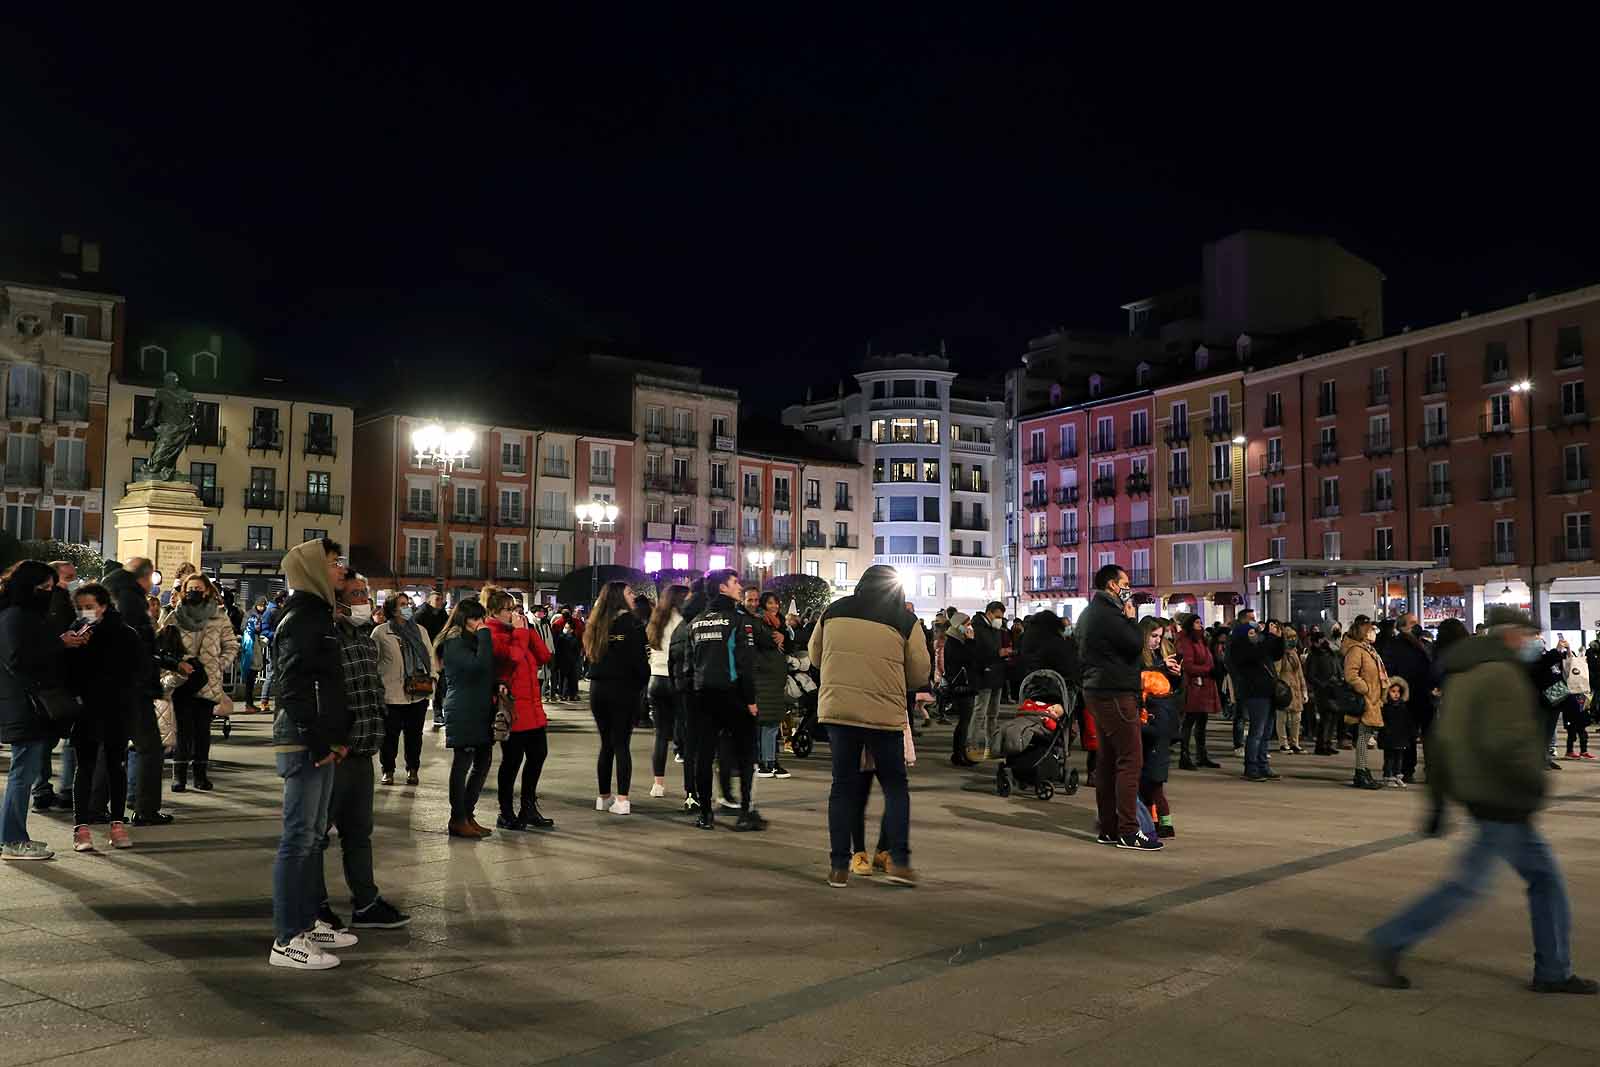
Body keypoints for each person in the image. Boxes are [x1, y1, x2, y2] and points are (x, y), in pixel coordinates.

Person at [1368, 607, 1598, 995]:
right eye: (1526, 635)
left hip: (1484, 793)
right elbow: (1506, 741)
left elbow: (1445, 738)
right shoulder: (1500, 675)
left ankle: (1554, 969)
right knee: (1476, 886)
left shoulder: (1470, 671)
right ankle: (1391, 939)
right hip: (1501, 796)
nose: (1530, 642)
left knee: (1531, 881)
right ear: (1509, 633)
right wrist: (1531, 784)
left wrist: (1439, 799)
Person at [269, 538, 354, 970]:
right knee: (299, 838)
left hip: (318, 736)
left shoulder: (316, 612)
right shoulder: (304, 616)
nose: (341, 569)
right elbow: (295, 682)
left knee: (314, 834)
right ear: (312, 569)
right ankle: (287, 938)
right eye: (334, 562)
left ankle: (305, 921)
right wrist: (320, 737)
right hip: (304, 739)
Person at [814, 564, 929, 886]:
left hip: (840, 710)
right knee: (895, 786)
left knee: (843, 786)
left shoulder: (833, 610)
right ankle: (900, 861)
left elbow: (814, 655)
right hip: (884, 713)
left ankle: (839, 866)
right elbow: (920, 672)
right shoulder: (906, 621)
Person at [315, 570, 410, 930]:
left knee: (359, 832)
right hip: (337, 750)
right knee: (317, 835)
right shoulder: (327, 638)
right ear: (336, 601)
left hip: (363, 748)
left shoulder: (365, 639)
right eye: (355, 594)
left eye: (365, 592)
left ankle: (366, 902)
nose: (363, 600)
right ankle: (316, 904)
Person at [1, 561, 89, 860]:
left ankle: (15, 837)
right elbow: (16, 659)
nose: (50, 593)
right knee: (22, 774)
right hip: (24, 704)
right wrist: (57, 643)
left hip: (29, 704)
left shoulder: (24, 615)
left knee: (24, 772)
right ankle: (12, 840)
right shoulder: (14, 616)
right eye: (46, 588)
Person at [1077, 564, 1160, 850]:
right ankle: (1128, 829)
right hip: (1114, 691)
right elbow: (1134, 644)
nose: (1129, 586)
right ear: (1113, 585)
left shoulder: (1090, 612)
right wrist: (1132, 618)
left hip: (1098, 689)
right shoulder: (1110, 614)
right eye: (1126, 582)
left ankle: (1109, 828)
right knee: (1130, 759)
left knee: (1109, 761)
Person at [64, 582, 140, 852]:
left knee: (115, 766)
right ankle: (81, 829)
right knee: (84, 767)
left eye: (90, 607)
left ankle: (117, 825)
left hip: (116, 709)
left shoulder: (125, 633)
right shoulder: (74, 633)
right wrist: (71, 648)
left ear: (104, 606)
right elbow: (67, 674)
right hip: (86, 710)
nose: (85, 612)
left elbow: (135, 672)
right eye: (81, 608)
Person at [102, 558, 175, 827]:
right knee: (149, 748)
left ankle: (95, 805)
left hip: (109, 685)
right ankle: (145, 809)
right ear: (146, 578)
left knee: (108, 746)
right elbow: (139, 647)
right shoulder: (132, 601)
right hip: (132, 686)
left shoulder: (107, 594)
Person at [687, 570, 761, 831]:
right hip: (733, 696)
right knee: (745, 753)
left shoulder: (696, 621)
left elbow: (687, 664)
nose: (740, 587)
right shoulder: (738, 621)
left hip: (702, 695)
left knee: (704, 755)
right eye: (735, 583)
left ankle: (705, 813)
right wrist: (750, 700)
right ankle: (745, 812)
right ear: (722, 588)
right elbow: (745, 665)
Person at [158, 572, 239, 792]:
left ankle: (201, 775)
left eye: (198, 589)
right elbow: (163, 646)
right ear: (183, 591)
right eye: (190, 588)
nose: (194, 592)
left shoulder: (219, 616)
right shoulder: (174, 616)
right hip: (183, 678)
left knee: (203, 731)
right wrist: (177, 663)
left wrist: (219, 664)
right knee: (183, 731)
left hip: (208, 680)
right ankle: (180, 776)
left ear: (207, 591)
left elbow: (231, 645)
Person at [483, 586, 554, 830]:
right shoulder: (491, 633)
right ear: (494, 612)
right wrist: (520, 634)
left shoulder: (520, 631)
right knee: (512, 761)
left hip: (533, 707)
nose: (514, 613)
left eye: (515, 609)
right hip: (513, 708)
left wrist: (529, 630)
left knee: (538, 755)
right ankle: (505, 812)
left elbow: (544, 656)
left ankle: (528, 807)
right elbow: (511, 659)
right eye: (508, 610)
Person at [584, 581, 649, 815]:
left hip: (598, 689)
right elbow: (639, 661)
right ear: (619, 597)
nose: (633, 596)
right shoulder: (632, 623)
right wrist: (641, 684)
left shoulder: (596, 623)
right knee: (622, 743)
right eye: (629, 592)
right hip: (623, 688)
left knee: (606, 744)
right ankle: (622, 799)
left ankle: (603, 797)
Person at [437, 598, 495, 838]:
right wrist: (485, 636)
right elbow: (478, 666)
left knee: (483, 763)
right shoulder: (453, 641)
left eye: (482, 618)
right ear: (463, 619)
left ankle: (468, 814)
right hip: (463, 709)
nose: (480, 623)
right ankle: (457, 818)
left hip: (479, 708)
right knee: (463, 764)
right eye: (475, 618)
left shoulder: (469, 640)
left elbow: (488, 669)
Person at [372, 593, 436, 786]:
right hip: (391, 694)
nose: (407, 607)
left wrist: (433, 678)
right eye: (402, 604)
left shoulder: (420, 631)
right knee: (389, 737)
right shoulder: (381, 632)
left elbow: (430, 657)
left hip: (417, 693)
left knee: (414, 736)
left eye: (408, 604)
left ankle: (412, 769)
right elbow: (373, 661)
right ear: (392, 609)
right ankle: (388, 770)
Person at [1227, 611, 1284, 783]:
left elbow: (1275, 654)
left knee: (1266, 732)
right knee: (1257, 732)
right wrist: (1268, 636)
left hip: (1268, 691)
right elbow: (1259, 652)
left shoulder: (1259, 645)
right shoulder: (1242, 649)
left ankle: (1263, 765)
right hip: (1255, 693)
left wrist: (1278, 638)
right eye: (1250, 633)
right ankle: (1251, 767)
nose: (1254, 635)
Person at [647, 584, 691, 799]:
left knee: (660, 735)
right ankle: (690, 788)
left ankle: (658, 784)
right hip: (675, 679)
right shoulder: (682, 622)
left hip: (655, 679)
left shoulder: (657, 620)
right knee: (686, 732)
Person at [1139, 617, 1182, 838]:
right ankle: (1154, 820)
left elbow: (1167, 688)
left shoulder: (1160, 655)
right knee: (1148, 779)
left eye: (1160, 636)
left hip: (1158, 721)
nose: (1157, 641)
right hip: (1147, 720)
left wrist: (1174, 676)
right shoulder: (1140, 656)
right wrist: (1161, 668)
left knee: (1153, 779)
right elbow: (1140, 678)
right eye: (1153, 636)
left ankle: (1161, 821)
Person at [1379, 612, 1434, 783]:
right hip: (1406, 696)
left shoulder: (1423, 644)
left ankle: (1428, 770)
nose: (1416, 626)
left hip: (1424, 695)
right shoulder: (1395, 645)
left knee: (1427, 735)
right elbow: (1389, 668)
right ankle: (1406, 770)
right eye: (1413, 623)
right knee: (1407, 735)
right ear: (1403, 626)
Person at [1342, 619, 1389, 790]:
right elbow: (1351, 674)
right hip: (1365, 699)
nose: (1373, 632)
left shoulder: (1370, 650)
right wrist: (1365, 688)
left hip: (1373, 699)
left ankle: (1363, 770)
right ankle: (1360, 772)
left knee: (1366, 736)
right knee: (1362, 737)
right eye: (1370, 630)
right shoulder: (1356, 650)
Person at [751, 591, 792, 778]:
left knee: (772, 720)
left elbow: (791, 644)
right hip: (764, 677)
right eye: (770, 603)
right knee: (768, 721)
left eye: (776, 603)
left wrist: (785, 636)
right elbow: (763, 643)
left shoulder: (781, 624)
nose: (774, 606)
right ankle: (766, 762)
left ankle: (770, 761)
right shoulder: (759, 622)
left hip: (775, 678)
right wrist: (778, 637)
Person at [1174, 613, 1221, 770]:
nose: (1200, 624)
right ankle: (1184, 755)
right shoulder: (1187, 641)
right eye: (1196, 622)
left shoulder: (1202, 640)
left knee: (1202, 721)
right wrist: (1209, 670)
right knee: (1190, 721)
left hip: (1204, 685)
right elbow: (1188, 665)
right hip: (1194, 686)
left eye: (1200, 622)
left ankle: (1201, 755)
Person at [943, 612, 979, 767]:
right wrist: (971, 642)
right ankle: (959, 754)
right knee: (964, 721)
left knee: (965, 721)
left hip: (964, 684)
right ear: (958, 624)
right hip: (962, 685)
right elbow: (968, 659)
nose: (969, 627)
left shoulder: (957, 639)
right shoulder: (953, 642)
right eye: (966, 623)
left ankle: (960, 753)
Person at [1303, 628, 1344, 756]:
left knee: (1333, 717)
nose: (1324, 642)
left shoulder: (1330, 653)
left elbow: (1337, 667)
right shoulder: (1314, 655)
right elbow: (1310, 675)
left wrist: (1339, 678)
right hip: (1322, 691)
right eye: (1321, 640)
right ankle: (1321, 745)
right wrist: (1322, 684)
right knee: (1325, 718)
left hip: (1334, 689)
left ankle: (1328, 743)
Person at [1276, 626, 1308, 754]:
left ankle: (1295, 743)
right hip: (1283, 691)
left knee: (1296, 719)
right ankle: (1283, 743)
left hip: (1296, 690)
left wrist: (1303, 690)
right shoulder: (1278, 654)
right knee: (1282, 719)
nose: (1292, 640)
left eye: (1294, 637)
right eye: (1289, 638)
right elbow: (1277, 672)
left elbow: (1300, 674)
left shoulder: (1294, 653)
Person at [1560, 637, 1592, 759]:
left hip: (1582, 695)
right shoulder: (1564, 667)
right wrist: (1568, 649)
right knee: (1572, 728)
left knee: (1582, 726)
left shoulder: (1580, 664)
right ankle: (1570, 750)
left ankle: (1584, 750)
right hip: (1570, 698)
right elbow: (1569, 659)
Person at [1378, 679, 1413, 788]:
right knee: (1389, 758)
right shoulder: (1386, 707)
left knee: (1399, 758)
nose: (1396, 694)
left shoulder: (1403, 706)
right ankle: (1388, 776)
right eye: (1393, 691)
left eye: (1398, 692)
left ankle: (1397, 776)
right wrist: (1384, 731)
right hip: (1389, 737)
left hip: (1401, 737)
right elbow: (1382, 722)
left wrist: (1412, 733)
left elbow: (1408, 721)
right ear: (1387, 692)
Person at [241, 597, 269, 711]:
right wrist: (254, 630)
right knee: (250, 679)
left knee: (252, 679)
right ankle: (248, 703)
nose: (262, 608)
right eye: (260, 606)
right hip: (250, 648)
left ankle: (250, 703)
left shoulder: (263, 615)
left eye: (264, 606)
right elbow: (243, 628)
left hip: (256, 647)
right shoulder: (249, 615)